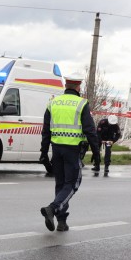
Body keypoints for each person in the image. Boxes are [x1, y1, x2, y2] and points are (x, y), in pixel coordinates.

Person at [39, 71, 100, 232]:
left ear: (66, 85)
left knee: (60, 185)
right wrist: (96, 152)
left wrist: (44, 152)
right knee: (72, 184)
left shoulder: (53, 103)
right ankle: (52, 208)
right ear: (79, 86)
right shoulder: (81, 103)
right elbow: (90, 130)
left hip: (56, 149)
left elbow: (46, 131)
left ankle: (61, 222)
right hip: (73, 150)